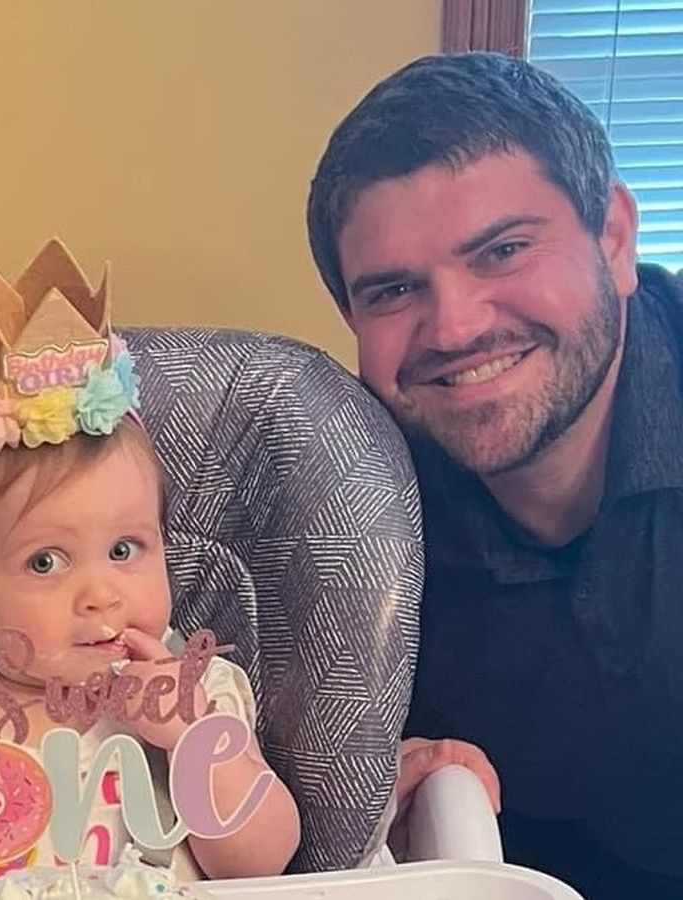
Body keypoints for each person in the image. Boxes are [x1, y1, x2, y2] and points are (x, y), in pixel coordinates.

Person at [307, 52, 683, 898]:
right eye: (393, 291)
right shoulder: (338, 499)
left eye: (504, 251)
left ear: (615, 238)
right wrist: (366, 793)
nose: (454, 327)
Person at [0, 240, 301, 882]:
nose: (100, 594)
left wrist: (193, 741)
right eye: (45, 562)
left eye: (124, 550)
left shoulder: (198, 696)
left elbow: (263, 864)